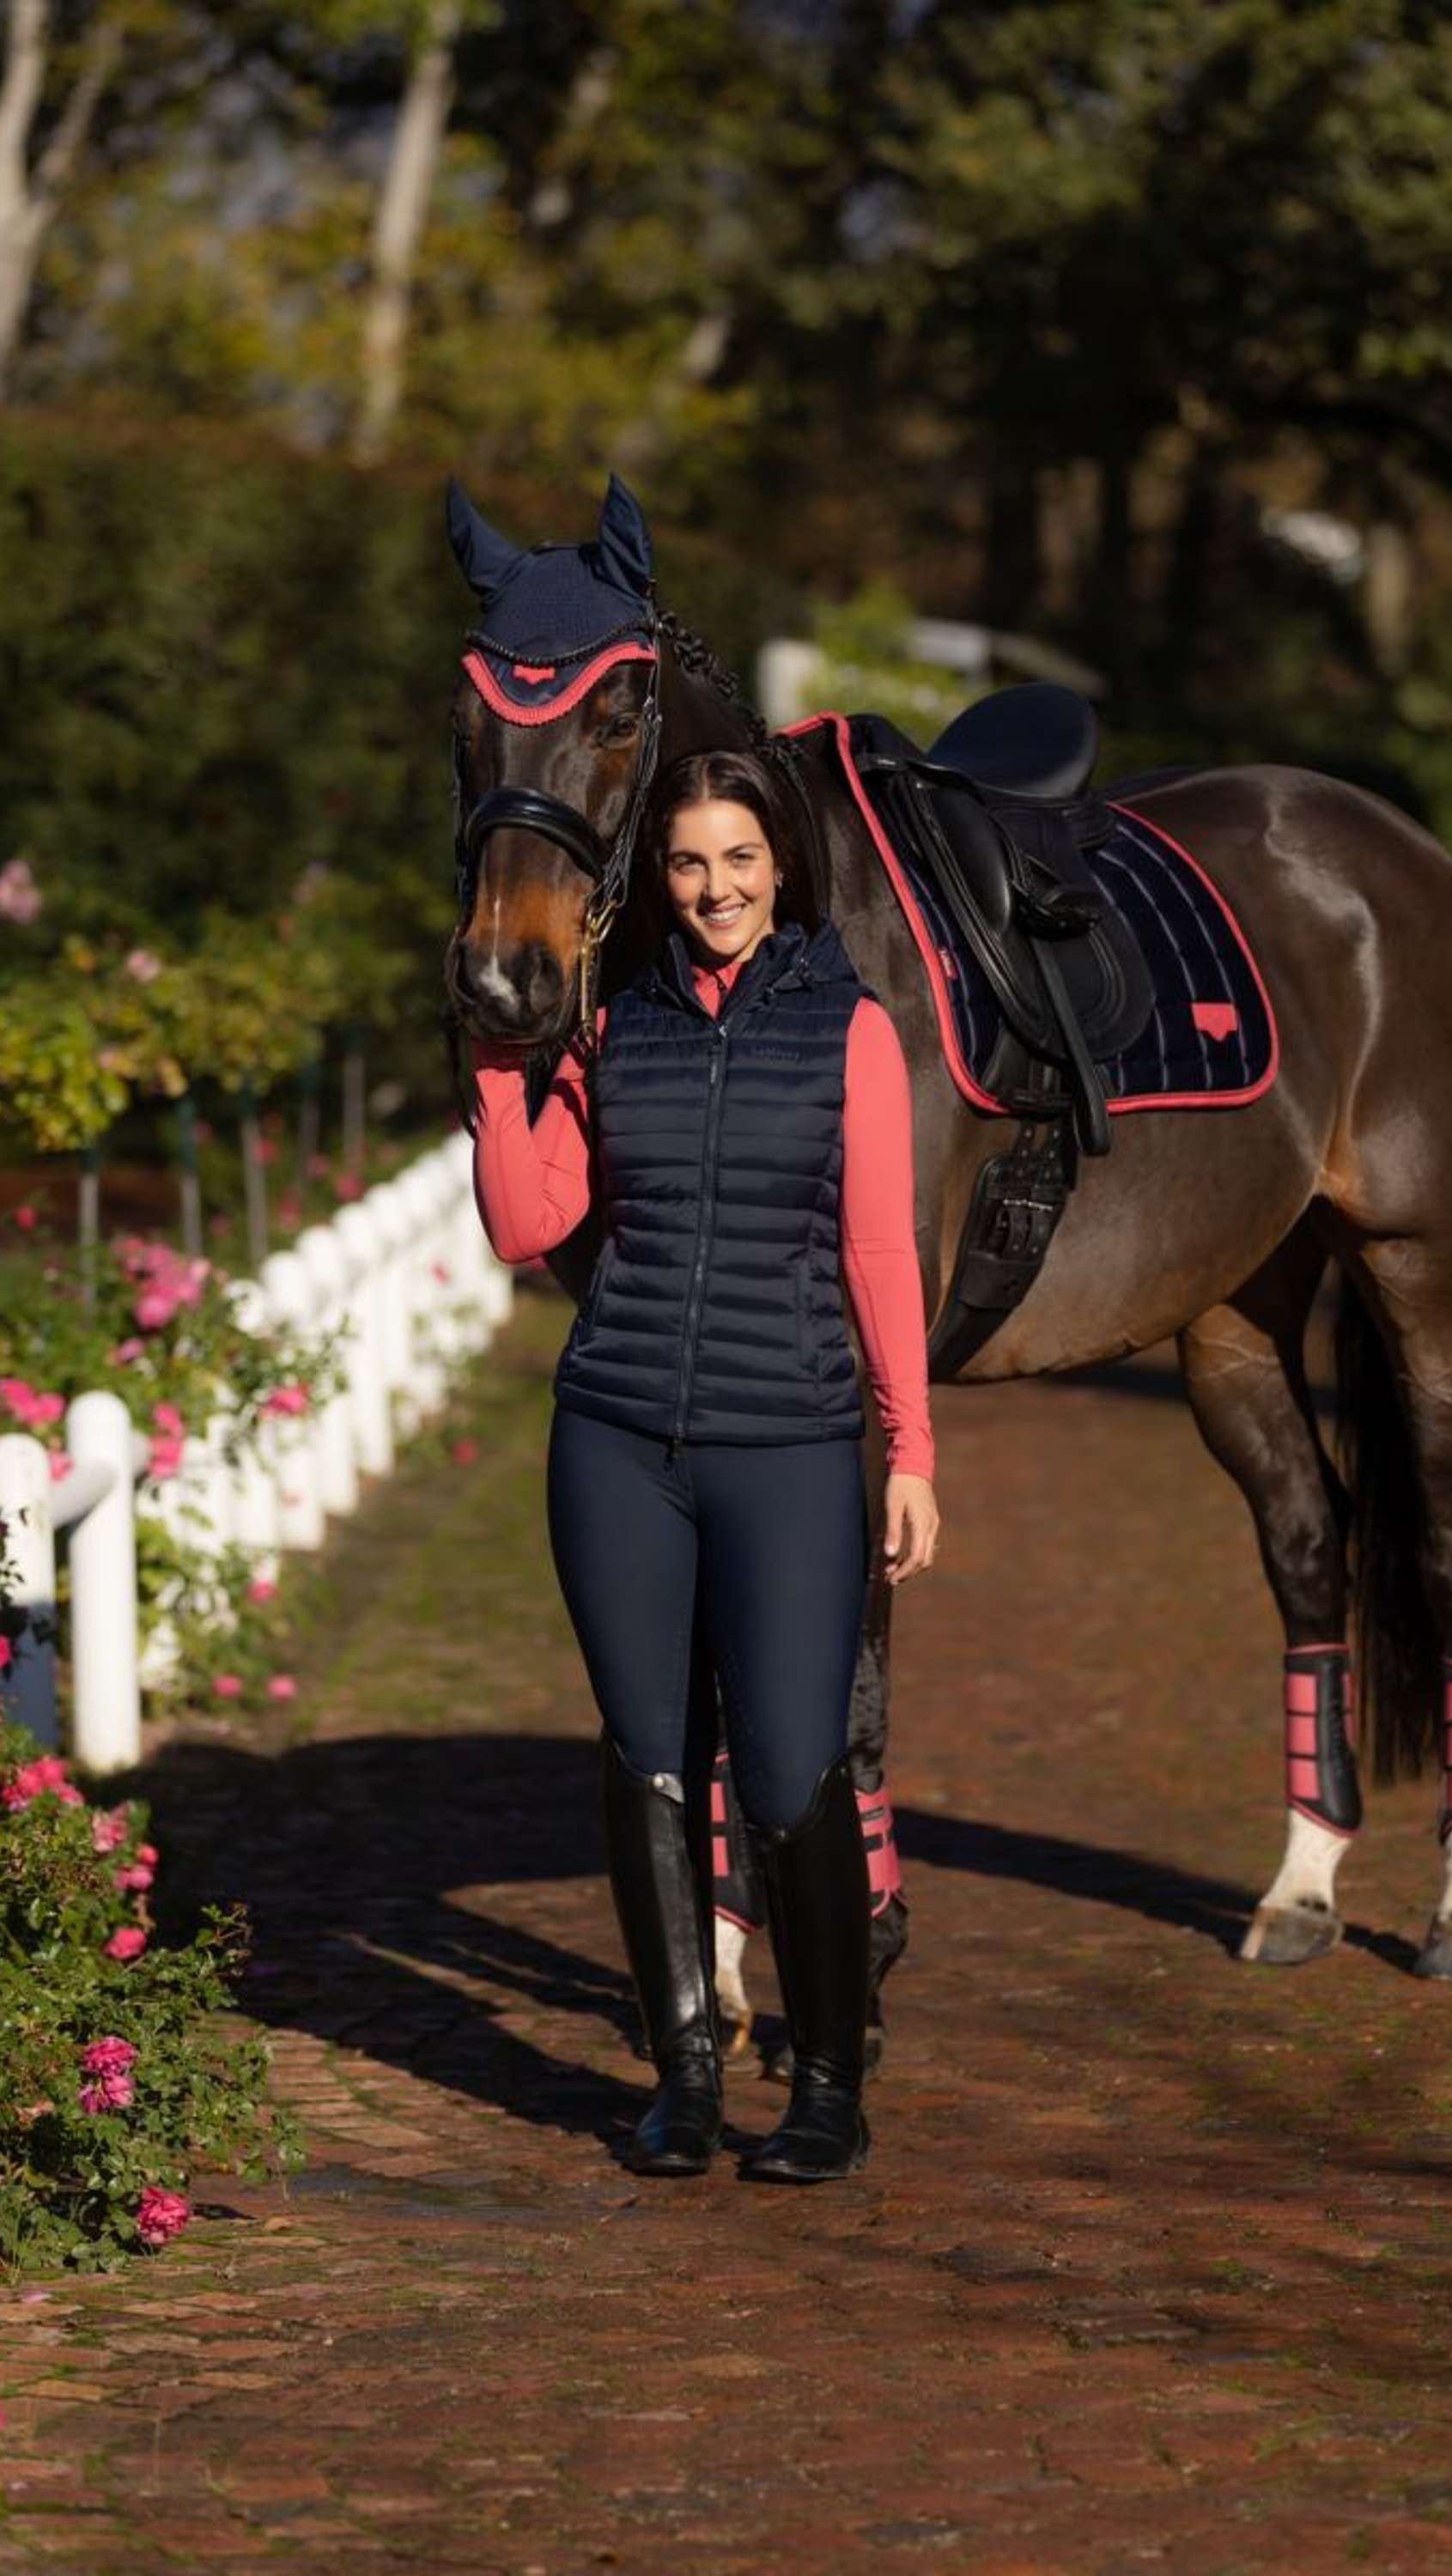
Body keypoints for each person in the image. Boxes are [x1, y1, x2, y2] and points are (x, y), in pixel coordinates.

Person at [465, 745, 941, 2184]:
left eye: (739, 858)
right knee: (652, 1762)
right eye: (688, 863)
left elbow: (878, 1251)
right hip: (617, 1439)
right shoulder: (615, 1029)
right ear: (656, 879)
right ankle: (683, 2075)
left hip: (788, 1446)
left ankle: (831, 2083)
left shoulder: (849, 1031)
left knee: (792, 1770)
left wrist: (910, 1448)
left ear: (780, 864)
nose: (716, 888)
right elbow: (526, 1224)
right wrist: (499, 1071)